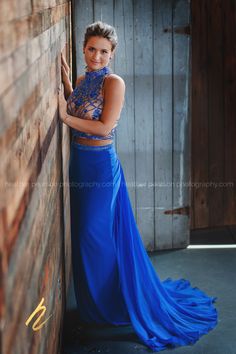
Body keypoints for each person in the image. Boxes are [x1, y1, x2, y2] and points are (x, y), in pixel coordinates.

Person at [58, 21, 218, 352]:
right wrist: (64, 83)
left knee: (95, 235)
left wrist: (64, 116)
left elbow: (103, 127)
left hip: (100, 165)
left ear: (112, 53)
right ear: (83, 48)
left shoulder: (114, 83)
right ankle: (94, 308)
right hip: (79, 163)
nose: (96, 56)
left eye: (104, 51)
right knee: (85, 236)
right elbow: (79, 106)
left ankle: (112, 305)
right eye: (91, 49)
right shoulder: (81, 79)